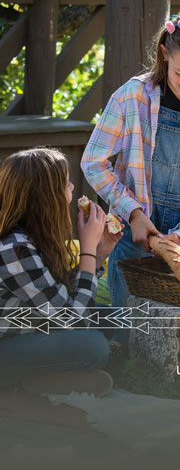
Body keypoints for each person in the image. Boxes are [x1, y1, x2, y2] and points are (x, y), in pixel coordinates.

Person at [81, 13, 180, 347]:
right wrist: (133, 212)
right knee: (129, 337)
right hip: (130, 240)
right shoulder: (132, 97)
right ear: (165, 53)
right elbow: (93, 163)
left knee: (173, 338)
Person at [0, 148, 121, 397]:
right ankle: (24, 385)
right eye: (66, 185)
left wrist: (97, 255)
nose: (73, 189)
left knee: (116, 318)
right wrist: (87, 248)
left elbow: (63, 301)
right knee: (94, 346)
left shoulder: (33, 237)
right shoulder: (14, 249)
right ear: (47, 197)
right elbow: (72, 320)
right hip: (6, 346)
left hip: (31, 328)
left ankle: (48, 380)